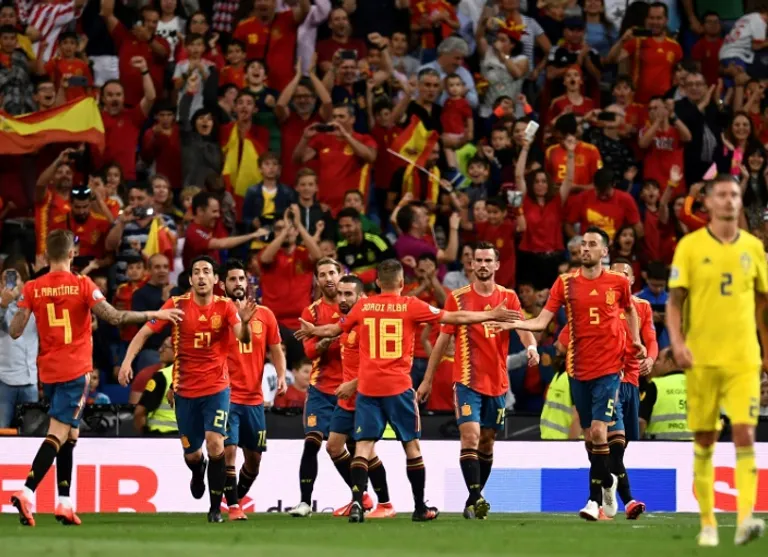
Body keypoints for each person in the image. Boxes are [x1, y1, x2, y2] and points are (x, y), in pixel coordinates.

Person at [295, 259, 522, 523]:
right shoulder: (410, 305)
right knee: (411, 447)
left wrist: (314, 330)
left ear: (377, 282)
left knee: (363, 446)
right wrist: (490, 315)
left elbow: (335, 329)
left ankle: (357, 503)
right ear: (402, 283)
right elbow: (455, 317)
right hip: (398, 388)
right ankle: (419, 508)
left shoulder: (364, 307)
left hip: (368, 389)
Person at [9, 230, 182, 527]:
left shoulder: (33, 287)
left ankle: (65, 502)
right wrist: (154, 313)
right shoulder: (82, 284)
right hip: (75, 371)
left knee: (71, 435)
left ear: (47, 255)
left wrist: (15, 301)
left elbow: (15, 331)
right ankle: (27, 492)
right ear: (72, 254)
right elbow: (115, 317)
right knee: (58, 433)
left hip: (47, 371)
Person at [507, 227, 645, 521]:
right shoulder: (565, 283)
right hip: (578, 370)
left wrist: (635, 340)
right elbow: (542, 321)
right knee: (590, 440)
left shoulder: (618, 282)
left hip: (609, 369)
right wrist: (514, 324)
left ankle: (593, 502)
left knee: (599, 431)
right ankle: (607, 482)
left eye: (592, 244)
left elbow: (630, 311)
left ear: (604, 252)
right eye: (583, 244)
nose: (585, 248)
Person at [666, 174, 768, 546]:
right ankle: (708, 524)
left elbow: (763, 304)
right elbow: (674, 303)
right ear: (707, 202)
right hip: (702, 358)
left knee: (744, 432)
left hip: (743, 358)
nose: (729, 200)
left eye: (735, 194)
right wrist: (678, 343)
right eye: (722, 194)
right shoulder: (690, 247)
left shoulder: (754, 248)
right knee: (706, 437)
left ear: (741, 201)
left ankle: (745, 520)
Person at [118, 255, 258, 523]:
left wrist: (246, 323)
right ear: (191, 279)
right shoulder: (177, 305)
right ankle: (197, 470)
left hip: (217, 388)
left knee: (215, 442)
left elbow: (242, 337)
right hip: (185, 391)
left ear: (215, 279)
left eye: (207, 271)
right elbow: (145, 332)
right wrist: (126, 362)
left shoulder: (225, 306)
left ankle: (215, 509)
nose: (201, 276)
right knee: (192, 454)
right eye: (197, 272)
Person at [417, 242, 539, 519]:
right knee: (470, 436)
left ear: (497, 265)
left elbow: (522, 329)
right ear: (471, 264)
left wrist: (531, 347)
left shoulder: (508, 297)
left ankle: (473, 500)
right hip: (467, 380)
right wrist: (427, 380)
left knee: (487, 441)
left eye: (488, 260)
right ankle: (476, 497)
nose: (482, 265)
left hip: (497, 382)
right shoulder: (457, 299)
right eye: (478, 260)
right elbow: (442, 341)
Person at [221, 259, 287, 521]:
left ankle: (232, 497)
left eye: (241, 278)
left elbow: (276, 349)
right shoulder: (218, 313)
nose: (238, 283)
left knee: (254, 461)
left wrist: (281, 375)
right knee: (229, 451)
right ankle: (233, 506)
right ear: (222, 284)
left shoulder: (266, 315)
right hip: (226, 395)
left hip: (254, 399)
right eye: (232, 279)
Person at [326, 275, 395, 518]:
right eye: (340, 294)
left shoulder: (368, 323)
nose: (342, 299)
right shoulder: (346, 322)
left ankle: (384, 503)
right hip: (347, 399)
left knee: (366, 452)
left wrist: (353, 384)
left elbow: (378, 364)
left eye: (348, 294)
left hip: (367, 396)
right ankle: (362, 498)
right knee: (334, 447)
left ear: (361, 296)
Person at [288, 258, 344, 518]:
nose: (328, 278)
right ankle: (304, 502)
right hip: (321, 389)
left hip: (350, 387)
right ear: (317, 280)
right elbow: (310, 352)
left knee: (351, 447)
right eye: (322, 274)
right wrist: (327, 338)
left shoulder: (355, 305)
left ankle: (361, 498)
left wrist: (323, 333)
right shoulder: (311, 312)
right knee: (312, 442)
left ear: (340, 274)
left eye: (332, 272)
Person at [607, 258, 657, 518]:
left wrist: (651, 359)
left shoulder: (642, 306)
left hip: (632, 383)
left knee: (620, 448)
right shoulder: (600, 306)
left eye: (624, 275)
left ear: (632, 279)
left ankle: (603, 495)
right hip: (608, 381)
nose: (619, 279)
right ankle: (626, 500)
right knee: (614, 445)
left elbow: (651, 340)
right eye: (614, 274)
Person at [183, 191, 265, 269]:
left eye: (218, 211)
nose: (218, 215)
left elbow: (225, 240)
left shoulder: (213, 224)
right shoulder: (193, 232)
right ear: (200, 211)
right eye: (214, 211)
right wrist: (253, 235)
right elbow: (221, 244)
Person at [0, 265, 38, 429]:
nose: (12, 285)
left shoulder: (34, 306)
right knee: (1, 432)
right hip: (4, 382)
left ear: (23, 283)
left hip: (30, 381)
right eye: (6, 280)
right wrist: (3, 305)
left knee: (32, 433)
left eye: (15, 280)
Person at [639, 347, 692, 440]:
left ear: (670, 362)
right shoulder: (697, 386)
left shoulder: (655, 385)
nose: (655, 363)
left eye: (659, 359)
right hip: (694, 446)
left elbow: (641, 421)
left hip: (659, 446)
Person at [336, 207, 394, 284]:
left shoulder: (377, 241)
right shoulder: (340, 248)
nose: (344, 230)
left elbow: (391, 267)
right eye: (341, 227)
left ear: (359, 224)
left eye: (348, 226)